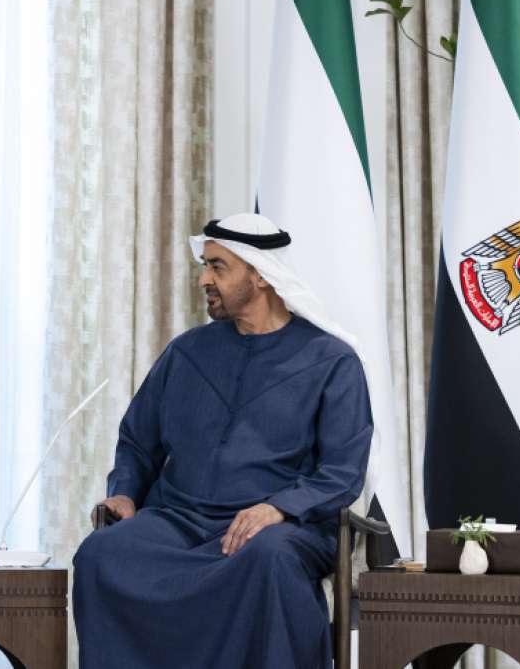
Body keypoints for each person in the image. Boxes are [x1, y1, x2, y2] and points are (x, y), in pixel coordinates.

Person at [72, 213, 372, 669]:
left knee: (269, 557)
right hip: (180, 519)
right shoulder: (187, 351)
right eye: (205, 265)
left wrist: (278, 508)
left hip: (286, 525)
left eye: (217, 267)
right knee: (101, 554)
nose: (203, 279)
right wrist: (125, 493)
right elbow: (137, 440)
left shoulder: (332, 361)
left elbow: (342, 471)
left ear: (260, 275)